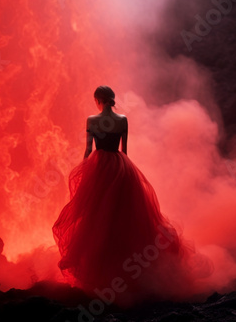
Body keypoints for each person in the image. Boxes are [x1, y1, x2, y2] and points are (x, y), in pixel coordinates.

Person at [52, 86, 198, 306]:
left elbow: (88, 152)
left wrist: (84, 175)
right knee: (125, 218)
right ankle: (132, 275)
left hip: (99, 168)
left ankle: (100, 275)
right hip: (121, 167)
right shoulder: (123, 120)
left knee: (96, 219)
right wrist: (123, 170)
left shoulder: (92, 120)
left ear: (98, 100)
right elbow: (125, 151)